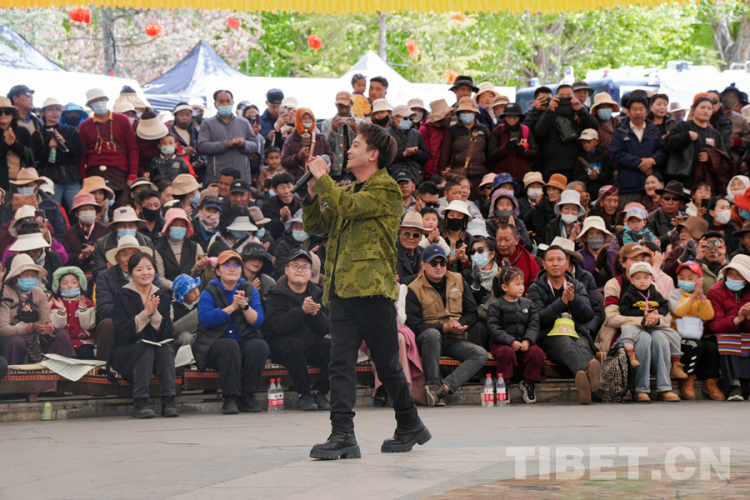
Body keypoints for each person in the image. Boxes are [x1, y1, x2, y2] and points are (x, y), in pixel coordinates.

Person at [302, 122, 429, 459]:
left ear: (373, 155)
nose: (349, 150)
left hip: (372, 289)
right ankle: (342, 432)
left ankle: (409, 422)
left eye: (356, 144)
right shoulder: (349, 190)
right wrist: (312, 193)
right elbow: (316, 224)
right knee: (339, 363)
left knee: (386, 364)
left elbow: (349, 208)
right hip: (342, 290)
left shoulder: (386, 189)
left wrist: (323, 180)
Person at [406, 245, 487, 406]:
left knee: (480, 354)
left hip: (453, 338)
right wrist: (444, 328)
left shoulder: (458, 280)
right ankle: (432, 385)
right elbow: (415, 326)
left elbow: (472, 313)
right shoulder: (413, 288)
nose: (439, 267)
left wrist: (460, 324)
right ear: (423, 264)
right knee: (432, 334)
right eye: (433, 263)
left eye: (442, 263)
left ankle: (443, 389)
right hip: (427, 341)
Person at [195, 250, 268, 414]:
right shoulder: (209, 291)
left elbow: (257, 321)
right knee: (229, 346)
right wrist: (232, 308)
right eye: (227, 265)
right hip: (215, 343)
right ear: (218, 270)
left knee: (259, 346)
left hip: (244, 339)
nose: (232, 269)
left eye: (236, 265)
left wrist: (244, 306)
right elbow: (206, 319)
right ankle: (230, 398)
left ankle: (248, 395)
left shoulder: (249, 289)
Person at [527, 244, 600, 405]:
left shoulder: (577, 285)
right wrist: (562, 302)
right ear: (543, 264)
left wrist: (574, 299)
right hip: (550, 334)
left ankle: (585, 383)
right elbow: (538, 319)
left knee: (583, 345)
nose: (555, 263)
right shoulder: (536, 288)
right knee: (566, 344)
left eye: (559, 259)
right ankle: (588, 373)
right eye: (550, 260)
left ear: (566, 263)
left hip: (575, 330)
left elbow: (588, 315)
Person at [109, 252, 177, 418]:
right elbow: (122, 332)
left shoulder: (162, 295)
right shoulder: (122, 295)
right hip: (127, 351)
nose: (145, 273)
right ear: (131, 273)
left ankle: (169, 401)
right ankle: (141, 402)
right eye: (139, 269)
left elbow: (167, 331)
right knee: (145, 348)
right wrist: (145, 314)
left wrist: (155, 314)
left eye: (149, 268)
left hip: (155, 349)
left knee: (166, 349)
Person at [265, 248, 331, 412]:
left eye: (305, 267)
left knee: (334, 347)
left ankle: (321, 392)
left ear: (311, 273)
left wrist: (315, 314)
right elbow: (276, 326)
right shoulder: (276, 293)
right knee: (294, 346)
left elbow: (326, 328)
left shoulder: (319, 293)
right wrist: (301, 311)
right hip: (283, 345)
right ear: (287, 270)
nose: (300, 270)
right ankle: (304, 394)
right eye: (295, 266)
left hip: (311, 344)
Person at [617, 262, 686, 388]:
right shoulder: (629, 294)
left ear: (652, 278)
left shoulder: (655, 293)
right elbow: (624, 311)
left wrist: (658, 313)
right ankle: (631, 355)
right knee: (627, 328)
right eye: (638, 278)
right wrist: (642, 314)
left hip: (654, 324)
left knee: (674, 334)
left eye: (646, 277)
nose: (642, 281)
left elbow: (664, 305)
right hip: (637, 323)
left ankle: (676, 363)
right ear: (631, 280)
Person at [0, 254, 75, 365]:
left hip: (36, 338)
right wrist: (28, 329)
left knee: (61, 334)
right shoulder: (5, 292)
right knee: (16, 341)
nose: (30, 278)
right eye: (25, 275)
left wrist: (46, 328)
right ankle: (16, 373)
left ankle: (61, 371)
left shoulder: (38, 292)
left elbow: (45, 320)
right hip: (12, 339)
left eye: (33, 275)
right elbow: (2, 328)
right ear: (15, 277)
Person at [487, 265, 543, 404]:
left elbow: (533, 325)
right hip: (502, 343)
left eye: (522, 284)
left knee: (536, 353)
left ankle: (528, 383)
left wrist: (528, 340)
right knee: (506, 353)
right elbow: (493, 327)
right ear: (505, 287)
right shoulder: (496, 305)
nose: (521, 287)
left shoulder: (529, 304)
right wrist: (510, 341)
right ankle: (503, 384)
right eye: (517, 284)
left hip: (523, 343)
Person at [77, 88, 139, 206]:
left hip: (119, 172)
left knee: (121, 205)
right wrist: (84, 179)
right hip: (94, 173)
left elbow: (133, 149)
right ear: (90, 105)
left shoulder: (122, 120)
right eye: (95, 101)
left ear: (106, 100)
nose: (99, 102)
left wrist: (133, 174)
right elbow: (82, 156)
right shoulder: (85, 125)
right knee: (98, 208)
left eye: (101, 99)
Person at [668, 260, 719, 400]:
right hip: (677, 338)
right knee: (696, 345)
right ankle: (688, 377)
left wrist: (701, 297)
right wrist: (691, 297)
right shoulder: (674, 294)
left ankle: (710, 381)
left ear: (699, 280)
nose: (686, 281)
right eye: (682, 277)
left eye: (690, 278)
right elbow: (678, 311)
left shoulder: (701, 298)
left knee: (712, 345)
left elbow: (708, 316)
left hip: (696, 336)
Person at [608, 91, 666, 207]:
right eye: (634, 109)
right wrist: (639, 163)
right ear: (628, 111)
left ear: (647, 111)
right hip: (628, 187)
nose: (638, 112)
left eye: (641, 109)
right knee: (629, 215)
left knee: (652, 216)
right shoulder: (620, 131)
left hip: (651, 185)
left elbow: (662, 151)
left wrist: (652, 160)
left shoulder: (654, 130)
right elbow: (615, 154)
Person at [706, 254, 750, 400]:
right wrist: (737, 319)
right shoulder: (715, 291)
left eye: (738, 275)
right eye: (730, 274)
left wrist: (748, 318)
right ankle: (734, 384)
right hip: (724, 332)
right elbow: (715, 325)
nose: (733, 278)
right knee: (727, 339)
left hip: (746, 331)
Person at [534, 84, 599, 182]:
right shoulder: (549, 113)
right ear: (556, 97)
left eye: (568, 96)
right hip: (553, 167)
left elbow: (595, 126)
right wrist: (550, 111)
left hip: (576, 166)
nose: (565, 98)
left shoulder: (579, 113)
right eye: (561, 96)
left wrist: (579, 110)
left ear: (574, 97)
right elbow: (539, 132)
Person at [663, 96, 727, 193]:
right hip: (682, 180)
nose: (706, 111)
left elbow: (724, 156)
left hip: (705, 184)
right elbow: (667, 143)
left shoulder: (715, 134)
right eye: (702, 107)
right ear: (693, 109)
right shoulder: (683, 126)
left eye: (709, 109)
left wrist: (710, 156)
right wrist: (686, 136)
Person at [198, 90, 260, 183]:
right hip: (218, 178)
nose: (225, 104)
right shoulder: (207, 123)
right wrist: (227, 144)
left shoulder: (243, 122)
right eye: (221, 101)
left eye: (228, 101)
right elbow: (202, 146)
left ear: (233, 102)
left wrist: (243, 144)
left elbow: (255, 145)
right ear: (215, 104)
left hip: (241, 177)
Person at [30, 98, 82, 208]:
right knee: (53, 209)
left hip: (72, 177)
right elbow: (37, 159)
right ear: (44, 112)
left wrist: (64, 142)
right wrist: (49, 147)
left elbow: (78, 152)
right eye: (50, 109)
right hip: (51, 179)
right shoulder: (38, 134)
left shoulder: (70, 130)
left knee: (78, 208)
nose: (55, 112)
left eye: (58, 109)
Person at [439, 97, 489, 196]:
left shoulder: (483, 129)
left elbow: (489, 153)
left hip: (479, 176)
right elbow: (445, 154)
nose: (466, 114)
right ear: (459, 114)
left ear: (475, 113)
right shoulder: (452, 130)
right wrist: (442, 176)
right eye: (463, 112)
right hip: (458, 177)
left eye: (469, 111)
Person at [0, 168, 67, 241]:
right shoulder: (10, 206)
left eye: (27, 185)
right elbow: (4, 233)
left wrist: (51, 243)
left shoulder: (51, 205)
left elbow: (61, 231)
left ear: (38, 186)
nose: (23, 188)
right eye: (20, 186)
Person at [91, 206, 154, 280]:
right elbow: (97, 273)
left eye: (131, 225)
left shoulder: (147, 243)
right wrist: (115, 270)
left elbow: (153, 269)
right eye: (122, 226)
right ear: (115, 228)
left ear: (137, 228)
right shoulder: (101, 244)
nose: (127, 229)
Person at [49, 266, 96, 359]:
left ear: (80, 286)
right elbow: (57, 327)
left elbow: (88, 326)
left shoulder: (88, 303)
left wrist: (83, 309)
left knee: (85, 354)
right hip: (64, 343)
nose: (69, 286)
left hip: (83, 342)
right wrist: (61, 311)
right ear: (59, 288)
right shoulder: (57, 304)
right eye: (65, 283)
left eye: (74, 282)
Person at [154, 208, 206, 290]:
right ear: (168, 226)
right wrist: (175, 286)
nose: (179, 228)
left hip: (193, 292)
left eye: (182, 225)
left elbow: (202, 273)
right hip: (170, 293)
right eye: (175, 225)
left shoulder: (195, 247)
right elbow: (160, 277)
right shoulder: (159, 250)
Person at [280, 107, 334, 185]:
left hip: (317, 180)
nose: (307, 121)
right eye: (304, 118)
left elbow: (330, 157)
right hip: (298, 182)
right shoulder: (291, 139)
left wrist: (319, 161)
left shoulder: (320, 138)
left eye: (310, 118)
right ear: (298, 120)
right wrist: (298, 157)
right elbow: (284, 161)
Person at [487, 103, 537, 182]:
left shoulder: (526, 130)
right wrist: (505, 147)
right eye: (508, 117)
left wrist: (523, 150)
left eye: (515, 117)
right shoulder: (497, 131)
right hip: (502, 178)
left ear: (519, 118)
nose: (511, 120)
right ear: (504, 117)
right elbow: (491, 155)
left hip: (523, 177)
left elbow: (534, 154)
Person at [62, 192, 107, 277]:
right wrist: (80, 256)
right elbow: (64, 256)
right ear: (76, 213)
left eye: (91, 209)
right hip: (76, 276)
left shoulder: (105, 230)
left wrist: (95, 250)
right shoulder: (69, 232)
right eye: (84, 209)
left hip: (101, 275)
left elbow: (110, 251)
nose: (88, 212)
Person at [321, 91, 364, 182]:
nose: (344, 110)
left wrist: (357, 132)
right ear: (336, 105)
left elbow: (364, 149)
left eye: (346, 106)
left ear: (352, 104)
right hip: (334, 171)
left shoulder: (361, 123)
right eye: (341, 106)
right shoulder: (327, 124)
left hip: (356, 171)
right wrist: (333, 131)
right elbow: (325, 149)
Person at [0, 96, 35, 191]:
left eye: (7, 111)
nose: (3, 114)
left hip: (25, 181)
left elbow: (31, 154)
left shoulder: (23, 131)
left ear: (13, 114)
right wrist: (6, 144)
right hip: (2, 185)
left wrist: (14, 144)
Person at [387, 105, 429, 184]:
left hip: (414, 179)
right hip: (393, 178)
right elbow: (383, 156)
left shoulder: (417, 134)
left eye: (411, 118)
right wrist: (403, 154)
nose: (409, 121)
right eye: (406, 118)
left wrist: (416, 153)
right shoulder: (386, 134)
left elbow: (426, 156)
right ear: (395, 119)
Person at [647, 180, 690, 251]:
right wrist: (672, 232)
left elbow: (694, 243)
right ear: (661, 201)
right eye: (667, 198)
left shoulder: (688, 219)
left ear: (681, 203)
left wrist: (684, 228)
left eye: (675, 199)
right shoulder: (650, 218)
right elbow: (651, 244)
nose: (670, 202)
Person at [495, 223, 539, 291]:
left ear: (516, 240)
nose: (502, 244)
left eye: (507, 240)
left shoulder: (525, 258)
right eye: (499, 240)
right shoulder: (491, 256)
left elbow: (535, 286)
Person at [576, 216, 616, 286]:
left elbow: (619, 280)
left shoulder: (613, 255)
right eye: (591, 234)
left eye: (598, 234)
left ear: (604, 236)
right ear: (585, 237)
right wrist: (596, 269)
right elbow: (581, 283)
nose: (595, 237)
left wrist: (608, 269)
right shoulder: (578, 257)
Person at [419, 99, 453, 180]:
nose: (449, 118)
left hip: (444, 173)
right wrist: (430, 175)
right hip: (429, 174)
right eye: (446, 115)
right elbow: (425, 155)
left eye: (450, 115)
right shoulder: (424, 130)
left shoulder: (447, 129)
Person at [573, 128, 612, 199]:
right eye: (583, 142)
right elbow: (577, 177)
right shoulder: (580, 159)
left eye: (588, 142)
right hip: (586, 194)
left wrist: (598, 176)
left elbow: (609, 174)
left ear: (596, 142)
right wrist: (589, 177)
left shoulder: (603, 156)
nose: (586, 145)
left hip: (601, 193)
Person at [261, 173, 301, 240]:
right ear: (275, 191)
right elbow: (269, 231)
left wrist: (290, 220)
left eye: (289, 187)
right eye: (282, 188)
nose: (286, 191)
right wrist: (281, 221)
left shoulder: (300, 203)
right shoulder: (268, 205)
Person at [440, 200, 474, 272]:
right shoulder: (439, 237)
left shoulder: (470, 240)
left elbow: (474, 268)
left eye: (459, 216)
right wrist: (452, 259)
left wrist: (464, 259)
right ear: (446, 218)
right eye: (451, 215)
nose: (455, 218)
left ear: (465, 220)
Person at [240, 243, 276, 308]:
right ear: (244, 259)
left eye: (261, 259)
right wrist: (249, 292)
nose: (257, 262)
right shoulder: (234, 279)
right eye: (254, 257)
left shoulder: (269, 282)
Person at [396, 211, 427, 285]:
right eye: (407, 233)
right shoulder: (390, 253)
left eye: (416, 235)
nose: (411, 237)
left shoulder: (425, 254)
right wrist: (418, 276)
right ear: (400, 234)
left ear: (421, 237)